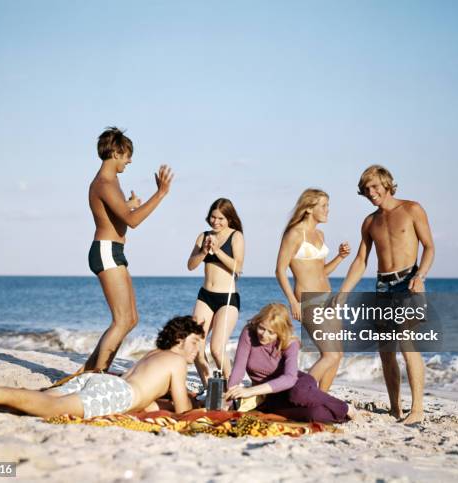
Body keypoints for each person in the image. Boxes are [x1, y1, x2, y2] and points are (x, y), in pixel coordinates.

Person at [0, 316, 205, 418]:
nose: (197, 350)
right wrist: (197, 405)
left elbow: (148, 393)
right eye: (195, 342)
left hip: (102, 382)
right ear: (179, 339)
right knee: (52, 409)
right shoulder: (177, 361)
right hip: (118, 392)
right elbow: (183, 409)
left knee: (38, 401)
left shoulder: (153, 353)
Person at [339, 165, 434, 425]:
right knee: (386, 350)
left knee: (406, 340)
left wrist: (420, 275)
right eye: (366, 189)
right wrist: (343, 292)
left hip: (408, 282)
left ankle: (417, 410)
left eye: (374, 187)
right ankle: (395, 409)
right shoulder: (370, 222)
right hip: (383, 286)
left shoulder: (412, 209)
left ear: (387, 184)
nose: (371, 192)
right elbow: (361, 260)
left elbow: (429, 247)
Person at [83, 127, 173, 372]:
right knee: (122, 320)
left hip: (113, 251)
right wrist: (161, 193)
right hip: (105, 250)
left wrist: (128, 204)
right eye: (126, 155)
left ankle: (91, 371)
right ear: (115, 152)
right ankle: (97, 376)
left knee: (131, 319)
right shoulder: (104, 183)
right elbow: (132, 221)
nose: (129, 160)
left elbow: (118, 213)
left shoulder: (112, 181)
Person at [225, 303, 356, 424]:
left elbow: (290, 379)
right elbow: (238, 369)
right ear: (258, 323)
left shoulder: (290, 343)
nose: (264, 335)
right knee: (313, 414)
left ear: (281, 331)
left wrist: (251, 391)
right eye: (262, 328)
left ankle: (345, 407)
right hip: (272, 397)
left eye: (271, 332)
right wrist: (228, 400)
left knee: (298, 393)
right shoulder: (248, 333)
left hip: (298, 384)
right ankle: (341, 412)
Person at [275, 189, 350, 392]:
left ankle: (321, 397)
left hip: (328, 299)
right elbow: (280, 270)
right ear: (309, 208)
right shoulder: (294, 234)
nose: (328, 210)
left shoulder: (320, 234)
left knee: (338, 355)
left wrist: (340, 257)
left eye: (328, 206)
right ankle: (300, 392)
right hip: (307, 300)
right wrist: (292, 301)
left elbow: (321, 272)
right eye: (323, 206)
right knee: (330, 354)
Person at [187, 199, 245, 386]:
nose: (215, 221)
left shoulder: (236, 236)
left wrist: (217, 251)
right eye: (213, 217)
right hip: (205, 296)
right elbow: (190, 265)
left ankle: (232, 387)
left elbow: (238, 267)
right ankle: (207, 386)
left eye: (221, 218)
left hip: (227, 298)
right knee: (195, 344)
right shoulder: (203, 236)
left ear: (229, 218)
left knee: (217, 349)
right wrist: (204, 251)